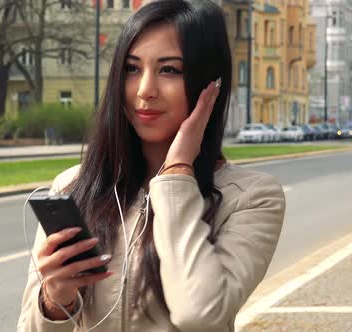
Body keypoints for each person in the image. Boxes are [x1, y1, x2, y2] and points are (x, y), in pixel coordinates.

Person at [18, 0, 286, 331]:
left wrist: (176, 175)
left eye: (169, 70)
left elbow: (199, 314)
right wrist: (55, 298)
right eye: (132, 68)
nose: (145, 90)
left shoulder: (252, 197)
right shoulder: (74, 186)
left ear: (210, 85)